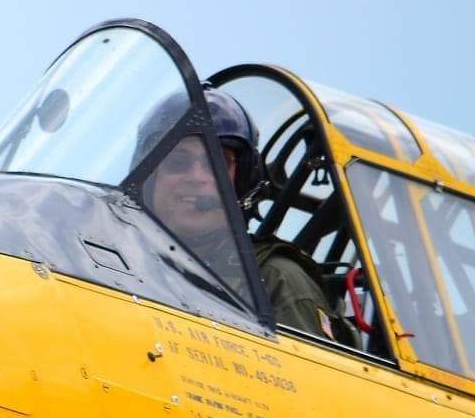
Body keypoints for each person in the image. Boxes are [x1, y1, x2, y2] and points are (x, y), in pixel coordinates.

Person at [142, 87, 339, 339]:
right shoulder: (117, 256)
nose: (197, 177)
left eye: (218, 163)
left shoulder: (276, 281)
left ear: (243, 180)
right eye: (179, 162)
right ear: (150, 177)